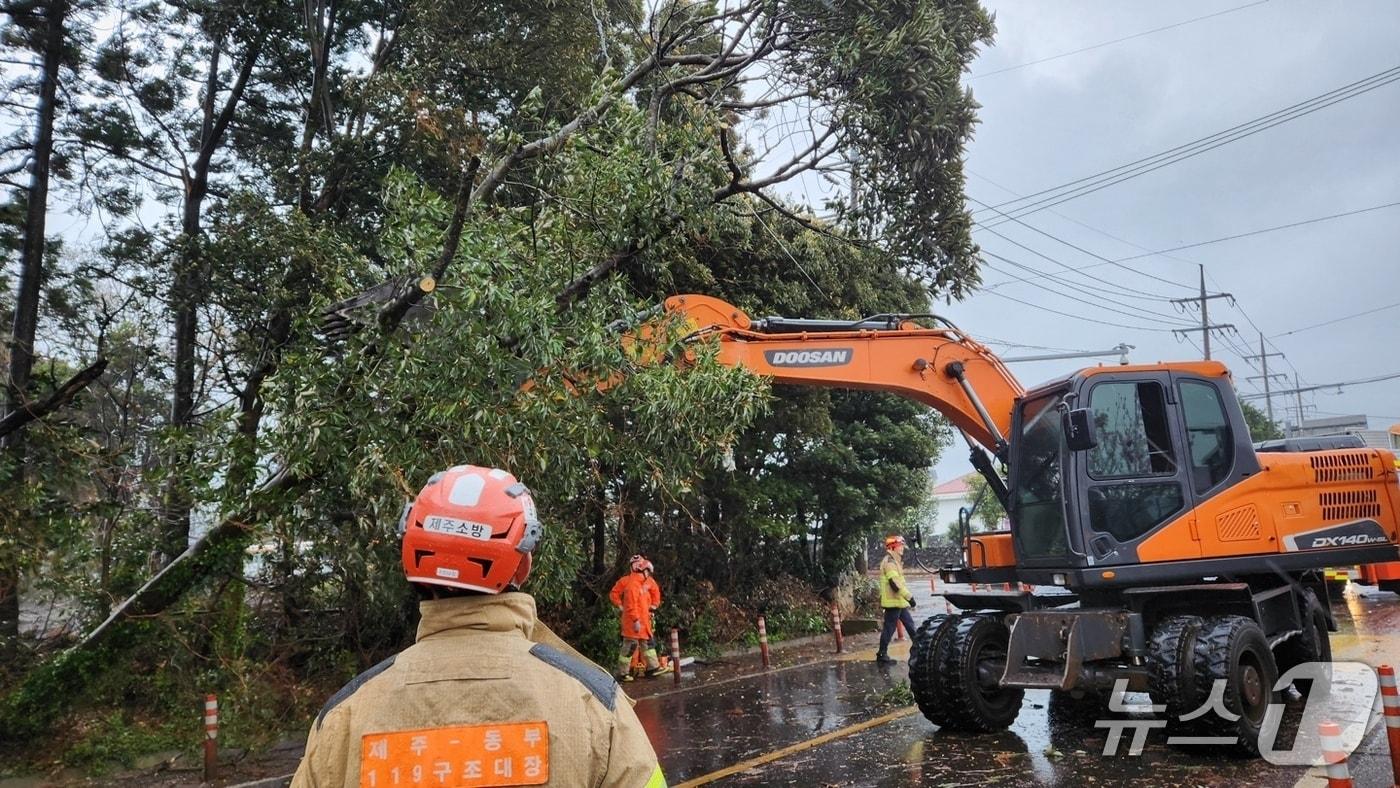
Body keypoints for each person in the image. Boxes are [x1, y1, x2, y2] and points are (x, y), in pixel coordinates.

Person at [291, 465, 667, 788]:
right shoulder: (595, 704)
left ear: (411, 559)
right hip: (633, 628)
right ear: (522, 565)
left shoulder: (343, 717)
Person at [609, 555, 671, 681]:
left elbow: (655, 593)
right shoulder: (629, 583)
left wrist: (653, 607)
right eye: (635, 564)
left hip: (644, 620)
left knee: (648, 645)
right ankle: (624, 672)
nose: (638, 566)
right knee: (630, 646)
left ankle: (652, 668)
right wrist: (621, 606)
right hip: (633, 621)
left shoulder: (646, 582)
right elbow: (621, 598)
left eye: (640, 564)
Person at [876, 534, 916, 665]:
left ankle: (920, 650)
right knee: (889, 628)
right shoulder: (890, 562)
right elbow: (894, 583)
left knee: (910, 625)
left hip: (899, 601)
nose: (902, 548)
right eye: (900, 546)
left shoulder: (895, 561)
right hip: (893, 602)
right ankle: (882, 655)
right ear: (893, 547)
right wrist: (909, 597)